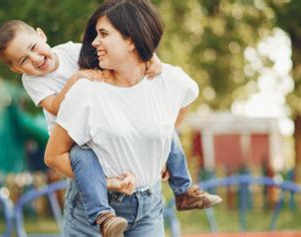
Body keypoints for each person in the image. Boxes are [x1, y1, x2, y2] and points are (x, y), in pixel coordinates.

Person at [44, 0, 220, 236]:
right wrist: (106, 184)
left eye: (104, 34)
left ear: (131, 39)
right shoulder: (86, 91)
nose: (95, 42)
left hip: (148, 207)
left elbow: (184, 103)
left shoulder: (171, 80)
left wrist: (161, 147)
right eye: (95, 34)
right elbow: (53, 156)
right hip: (93, 213)